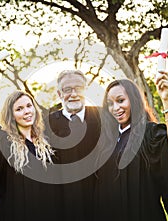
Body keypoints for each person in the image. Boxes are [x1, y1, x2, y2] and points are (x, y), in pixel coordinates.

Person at [0, 69, 61, 221]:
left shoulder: (46, 141)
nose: (27, 111)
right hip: (12, 212)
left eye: (29, 106)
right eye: (19, 109)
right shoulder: (3, 139)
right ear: (11, 115)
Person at [95, 73, 168, 221]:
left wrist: (166, 100)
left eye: (121, 100)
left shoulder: (149, 133)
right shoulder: (108, 138)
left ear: (133, 100)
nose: (115, 108)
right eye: (110, 103)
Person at [45, 70, 101, 221]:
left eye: (79, 88)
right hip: (62, 203)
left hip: (100, 200)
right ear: (59, 94)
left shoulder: (104, 117)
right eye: (67, 89)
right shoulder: (46, 124)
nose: (74, 94)